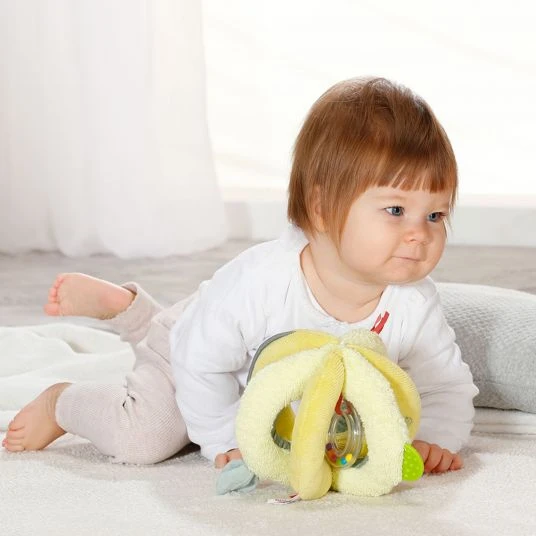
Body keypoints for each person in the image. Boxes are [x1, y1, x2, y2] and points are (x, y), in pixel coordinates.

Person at [2, 77, 478, 475]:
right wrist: (224, 438)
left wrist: (435, 436)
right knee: (149, 436)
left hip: (223, 343)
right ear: (320, 208)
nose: (420, 234)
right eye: (395, 210)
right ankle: (63, 401)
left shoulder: (414, 303)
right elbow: (200, 360)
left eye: (435, 215)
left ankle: (136, 313)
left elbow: (445, 386)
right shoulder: (263, 280)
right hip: (189, 352)